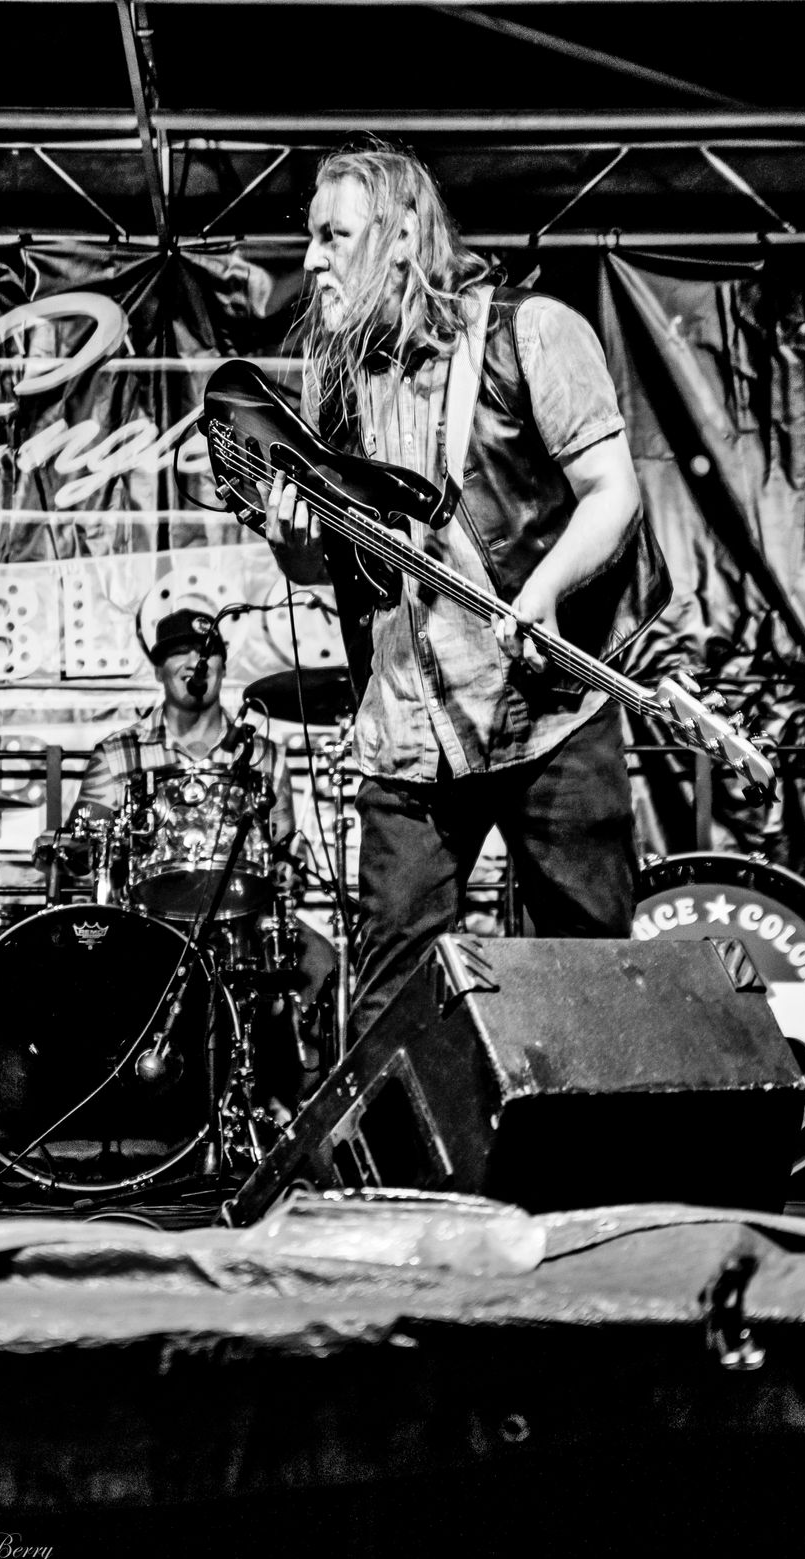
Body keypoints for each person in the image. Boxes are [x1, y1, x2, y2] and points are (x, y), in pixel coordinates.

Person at [264, 140, 671, 1044]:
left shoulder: (532, 332)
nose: (311, 260)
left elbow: (613, 493)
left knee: (592, 978)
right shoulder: (337, 383)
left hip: (544, 713)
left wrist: (548, 590)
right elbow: (348, 567)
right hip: (411, 732)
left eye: (334, 236)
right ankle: (393, 1142)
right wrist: (297, 552)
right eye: (311, 237)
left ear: (404, 237)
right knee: (389, 1000)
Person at [60, 607, 297, 895]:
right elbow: (82, 847)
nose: (194, 662)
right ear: (158, 671)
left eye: (206, 652)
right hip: (145, 915)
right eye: (179, 652)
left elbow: (285, 851)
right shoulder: (115, 755)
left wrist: (288, 868)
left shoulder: (265, 756)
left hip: (242, 910)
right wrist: (68, 845)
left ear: (224, 667)